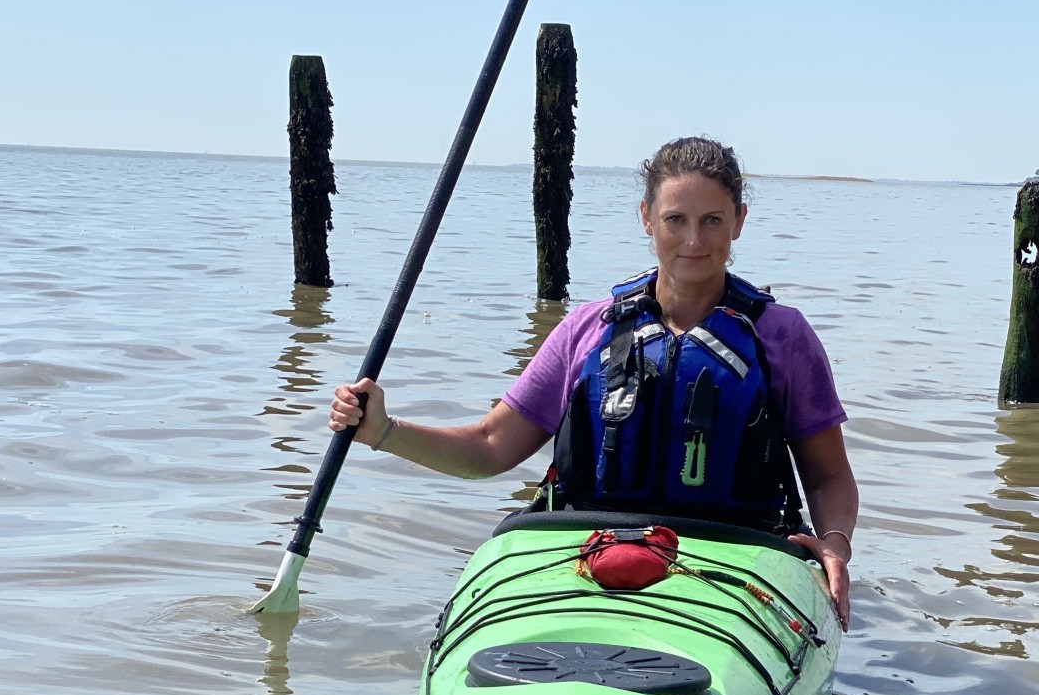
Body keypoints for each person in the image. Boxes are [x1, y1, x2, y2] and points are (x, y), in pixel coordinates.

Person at [329, 136, 859, 627]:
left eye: (713, 220)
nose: (694, 240)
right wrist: (383, 431)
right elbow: (490, 447)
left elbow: (829, 476)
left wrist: (834, 544)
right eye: (676, 219)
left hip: (740, 556)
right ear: (646, 219)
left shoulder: (781, 335)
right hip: (590, 552)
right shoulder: (586, 330)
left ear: (739, 221)